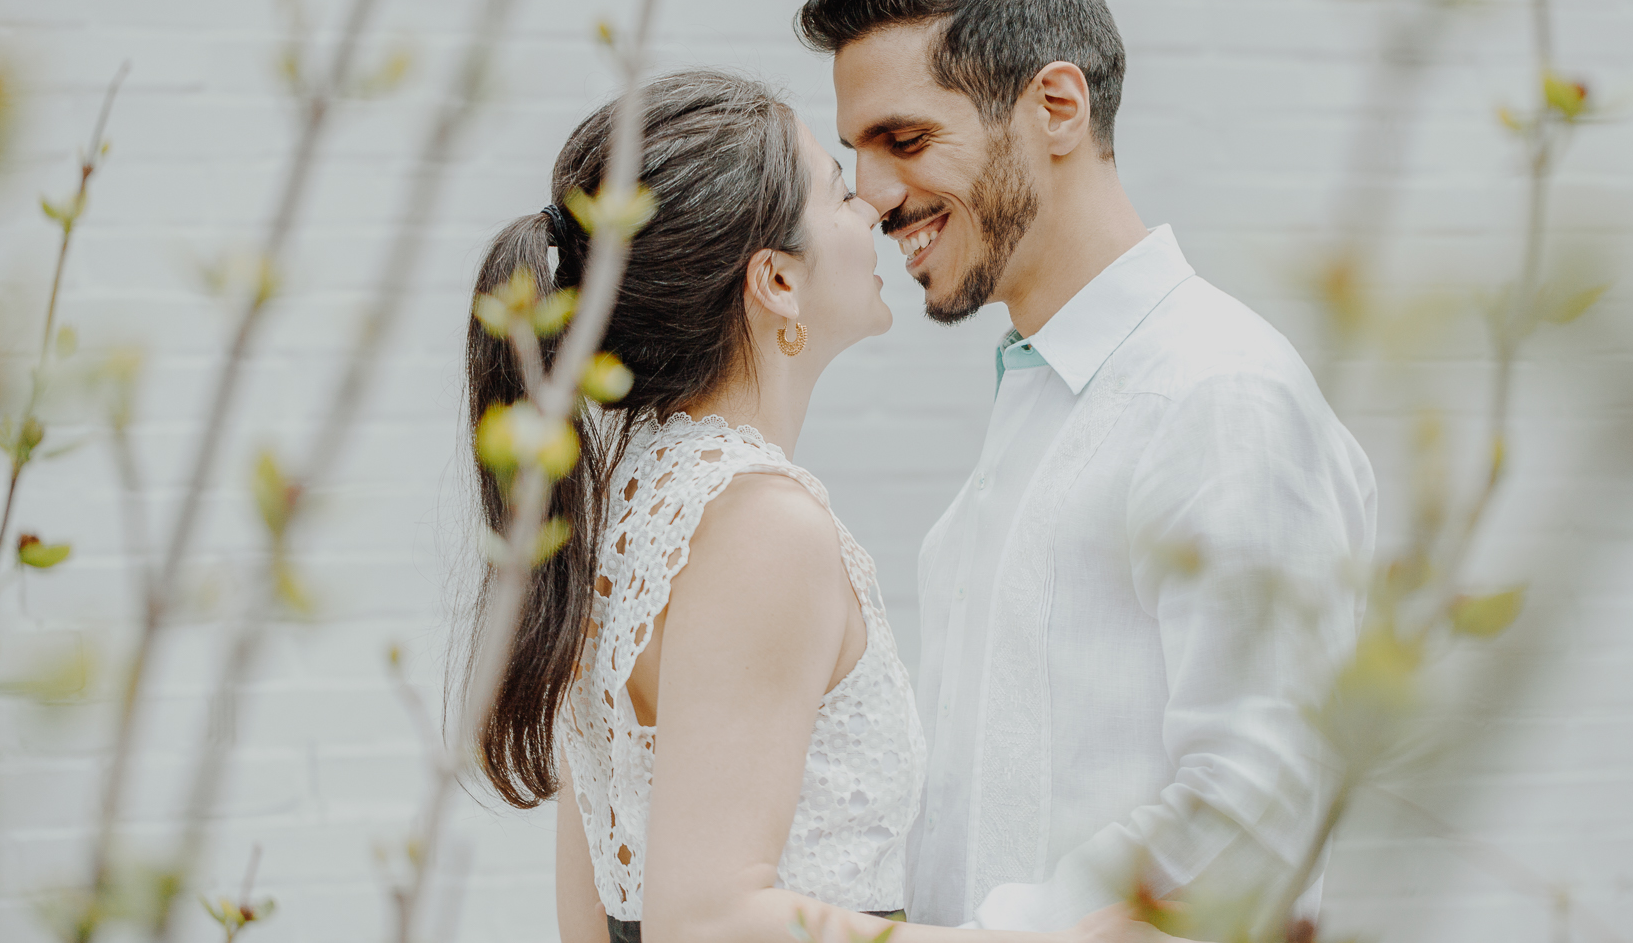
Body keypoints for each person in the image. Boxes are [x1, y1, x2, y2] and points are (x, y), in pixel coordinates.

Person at [460, 70, 1157, 943]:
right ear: (777, 283)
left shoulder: (624, 509)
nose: (872, 211)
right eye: (837, 189)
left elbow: (593, 916)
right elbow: (707, 917)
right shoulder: (757, 525)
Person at [799, 0, 1379, 931]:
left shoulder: (1216, 394)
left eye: (903, 139)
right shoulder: (1045, 397)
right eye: (856, 153)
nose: (875, 196)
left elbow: (1254, 814)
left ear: (1054, 106)